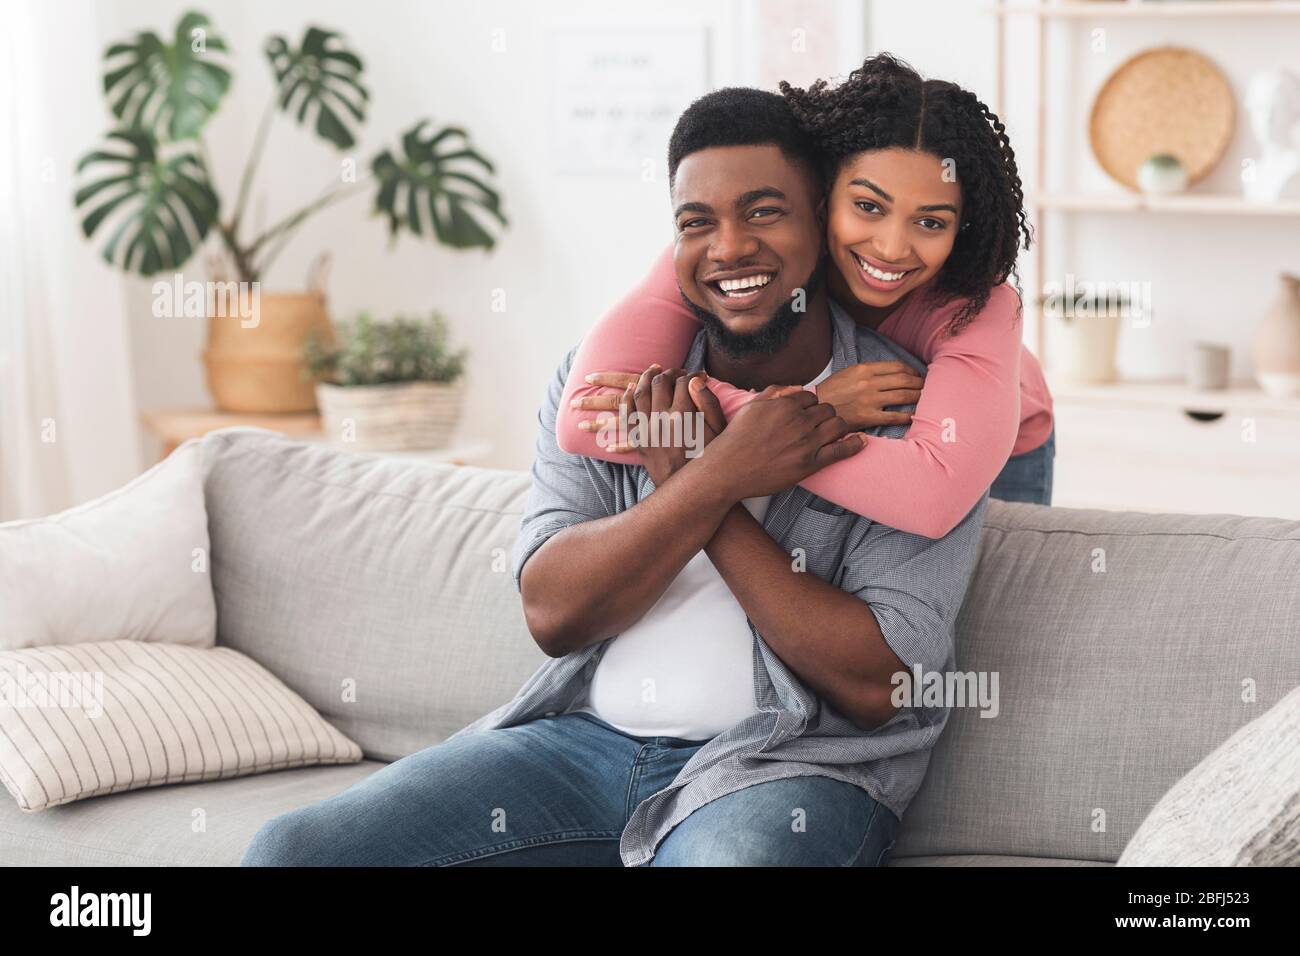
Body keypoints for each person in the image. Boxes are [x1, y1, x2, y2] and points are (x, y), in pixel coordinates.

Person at [241, 87, 987, 868]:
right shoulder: (608, 383)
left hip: (786, 769)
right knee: (292, 851)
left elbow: (878, 686)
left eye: (765, 212)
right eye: (697, 223)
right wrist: (715, 477)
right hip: (580, 746)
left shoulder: (911, 415)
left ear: (825, 224)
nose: (728, 247)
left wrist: (708, 479)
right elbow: (554, 610)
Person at [557, 53, 1055, 536]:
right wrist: (813, 407)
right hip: (862, 442)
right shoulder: (735, 255)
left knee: (987, 600)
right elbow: (585, 417)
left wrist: (728, 438)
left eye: (930, 221)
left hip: (1008, 450)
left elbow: (930, 496)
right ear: (821, 199)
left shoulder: (981, 307)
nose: (890, 248)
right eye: (867, 206)